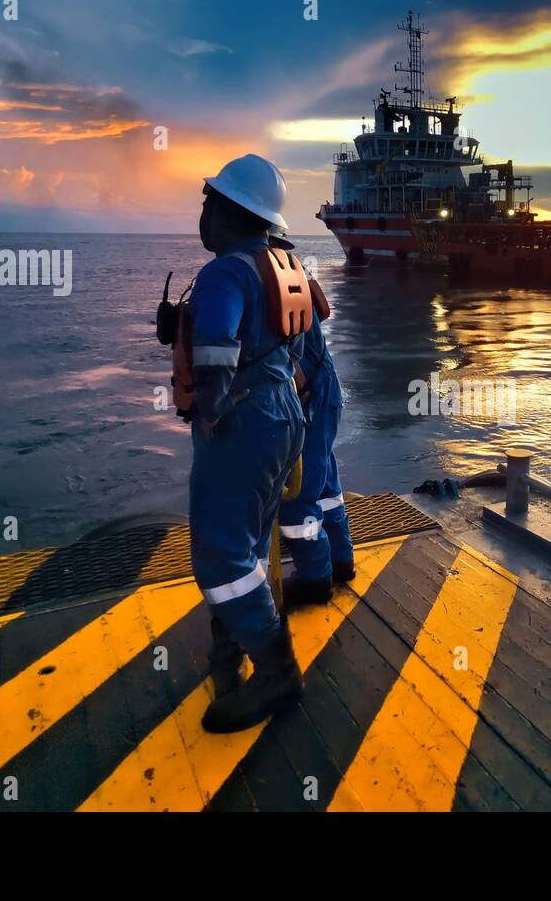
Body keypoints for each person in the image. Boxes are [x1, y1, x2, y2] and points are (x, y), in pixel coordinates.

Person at [187, 154, 305, 733]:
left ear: (233, 212)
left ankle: (277, 672)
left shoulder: (224, 273)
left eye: (209, 201)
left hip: (241, 419)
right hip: (282, 413)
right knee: (249, 547)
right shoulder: (281, 264)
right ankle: (226, 657)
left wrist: (210, 411)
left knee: (218, 555)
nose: (203, 211)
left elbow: (214, 347)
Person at [277, 269, 354, 606]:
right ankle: (340, 560)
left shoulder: (262, 275)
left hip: (304, 395)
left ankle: (314, 577)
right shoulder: (293, 273)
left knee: (297, 492)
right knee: (324, 484)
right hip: (324, 388)